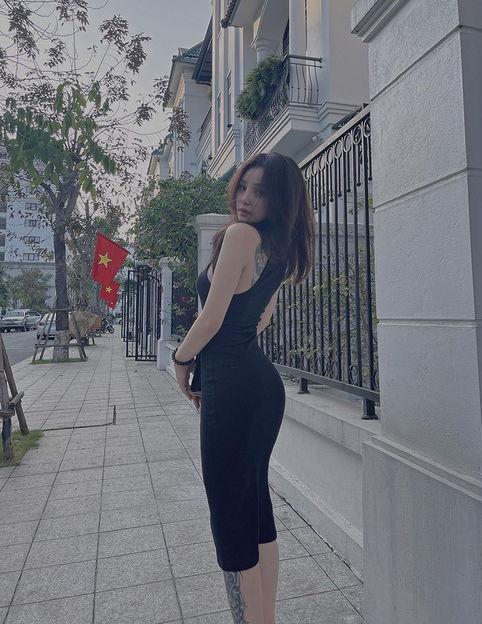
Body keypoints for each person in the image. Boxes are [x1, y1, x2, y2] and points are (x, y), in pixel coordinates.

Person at [171, 151, 315, 623]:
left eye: (262, 192)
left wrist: (181, 359)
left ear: (280, 201)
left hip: (232, 390)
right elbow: (260, 319)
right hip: (259, 388)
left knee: (231, 518)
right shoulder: (276, 248)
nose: (246, 198)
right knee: (253, 506)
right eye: (244, 186)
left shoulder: (239, 236)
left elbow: (211, 318)